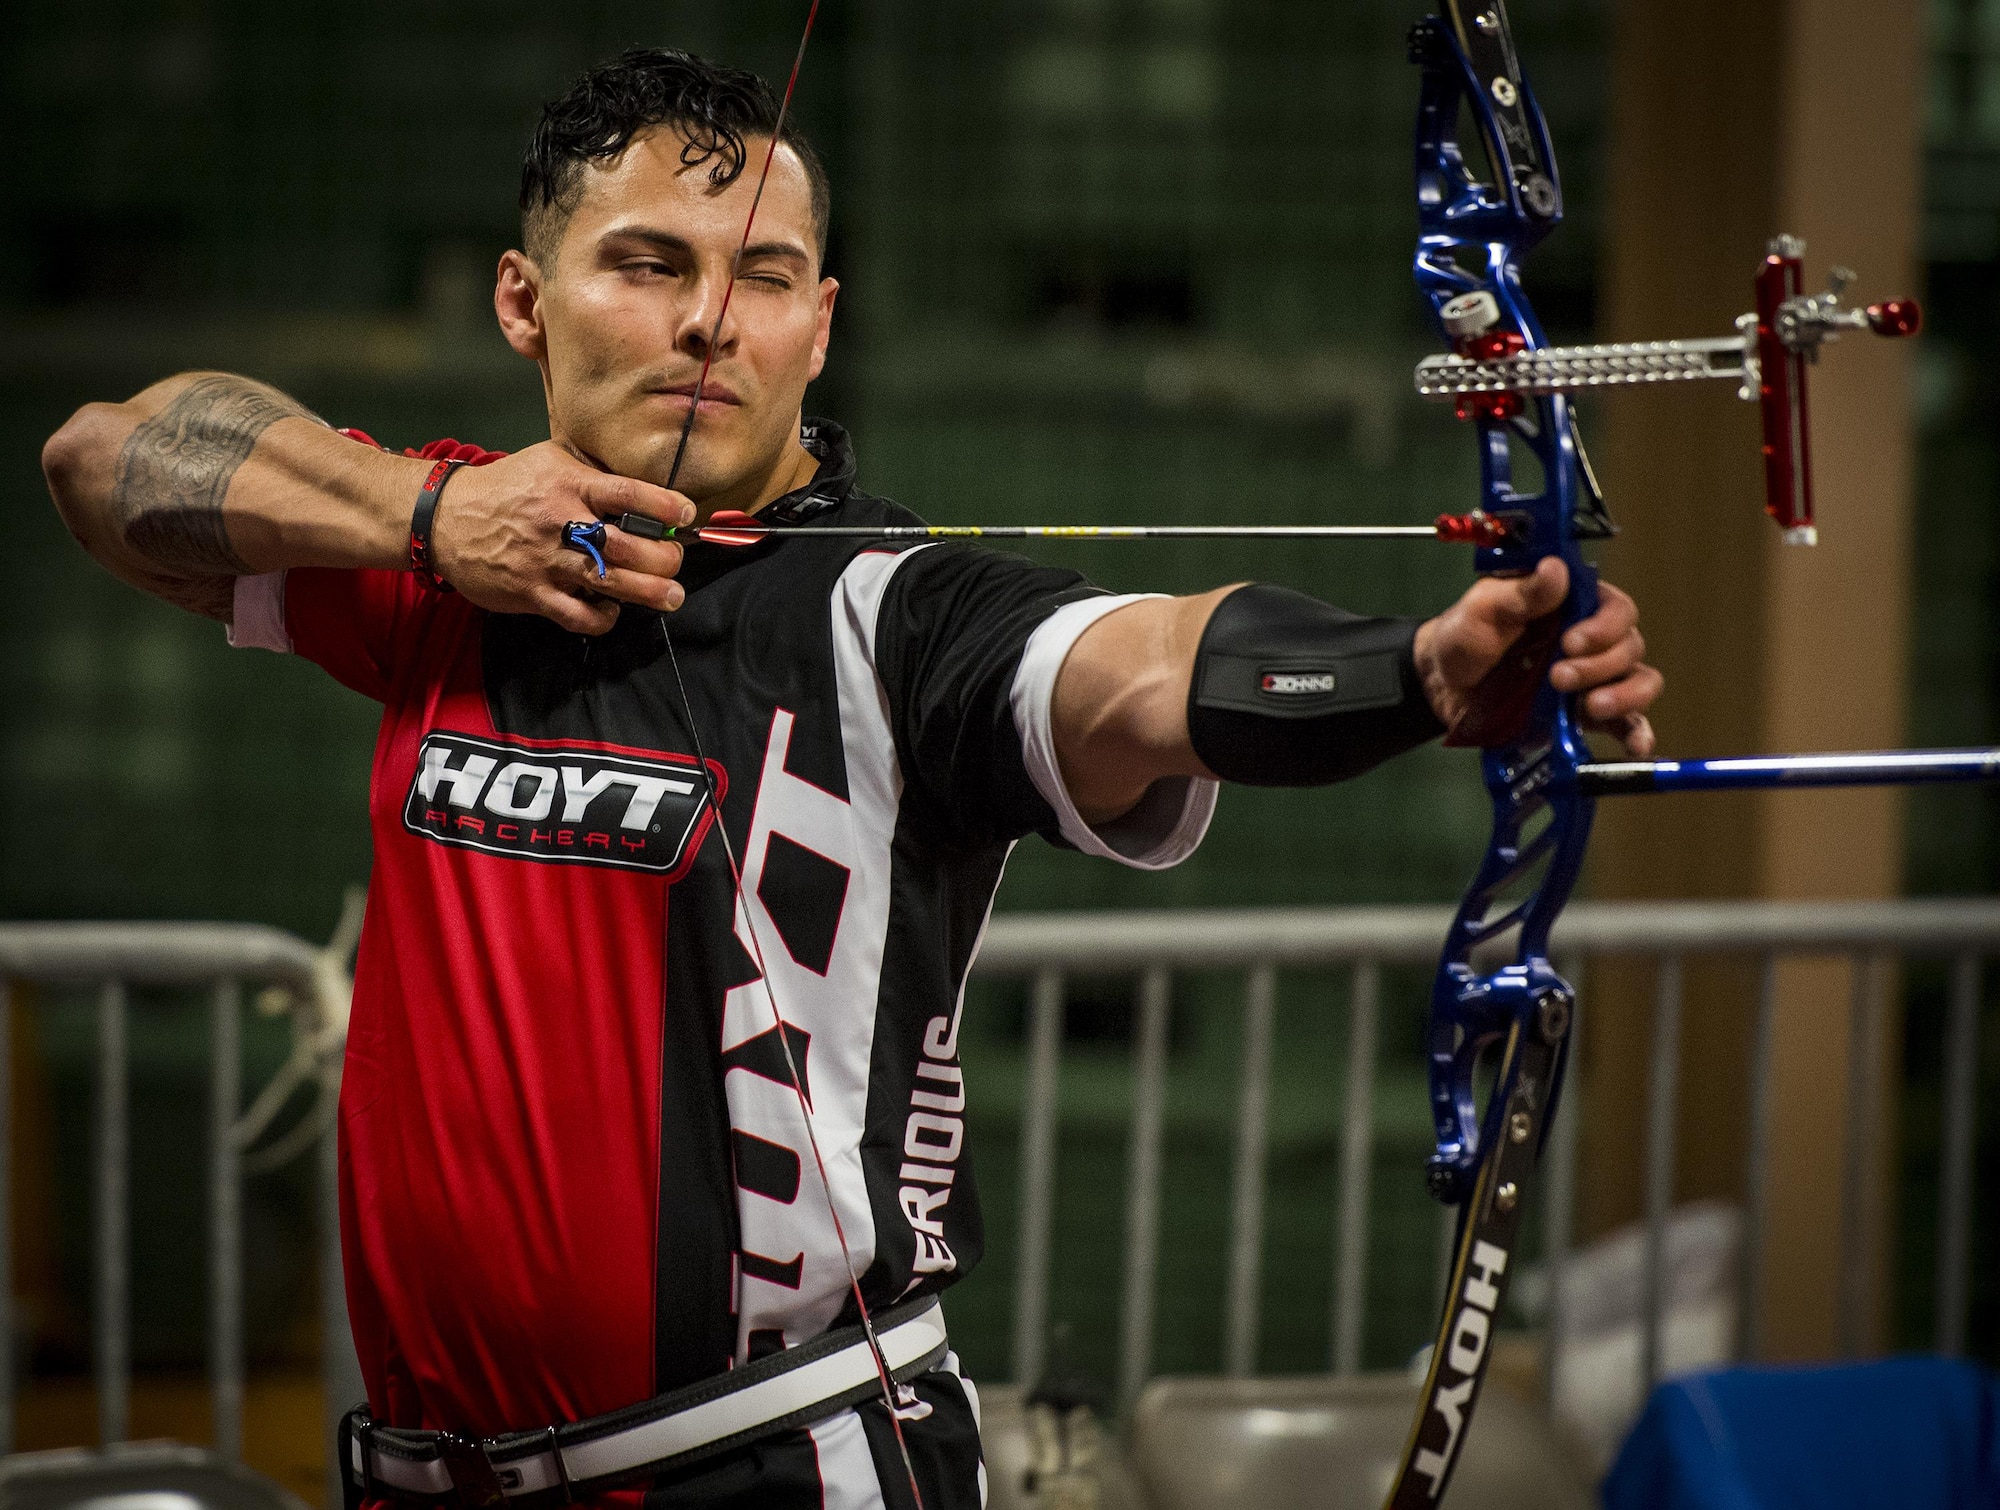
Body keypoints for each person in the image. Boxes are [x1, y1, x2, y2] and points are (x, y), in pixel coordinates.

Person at [40, 47, 1661, 1510]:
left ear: (822, 319)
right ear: (524, 305)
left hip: (772, 1465)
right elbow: (106, 459)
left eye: (765, 275)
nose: (706, 321)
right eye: (648, 263)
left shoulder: (892, 616)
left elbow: (1146, 663)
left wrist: (1426, 672)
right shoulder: (445, 559)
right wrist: (424, 520)